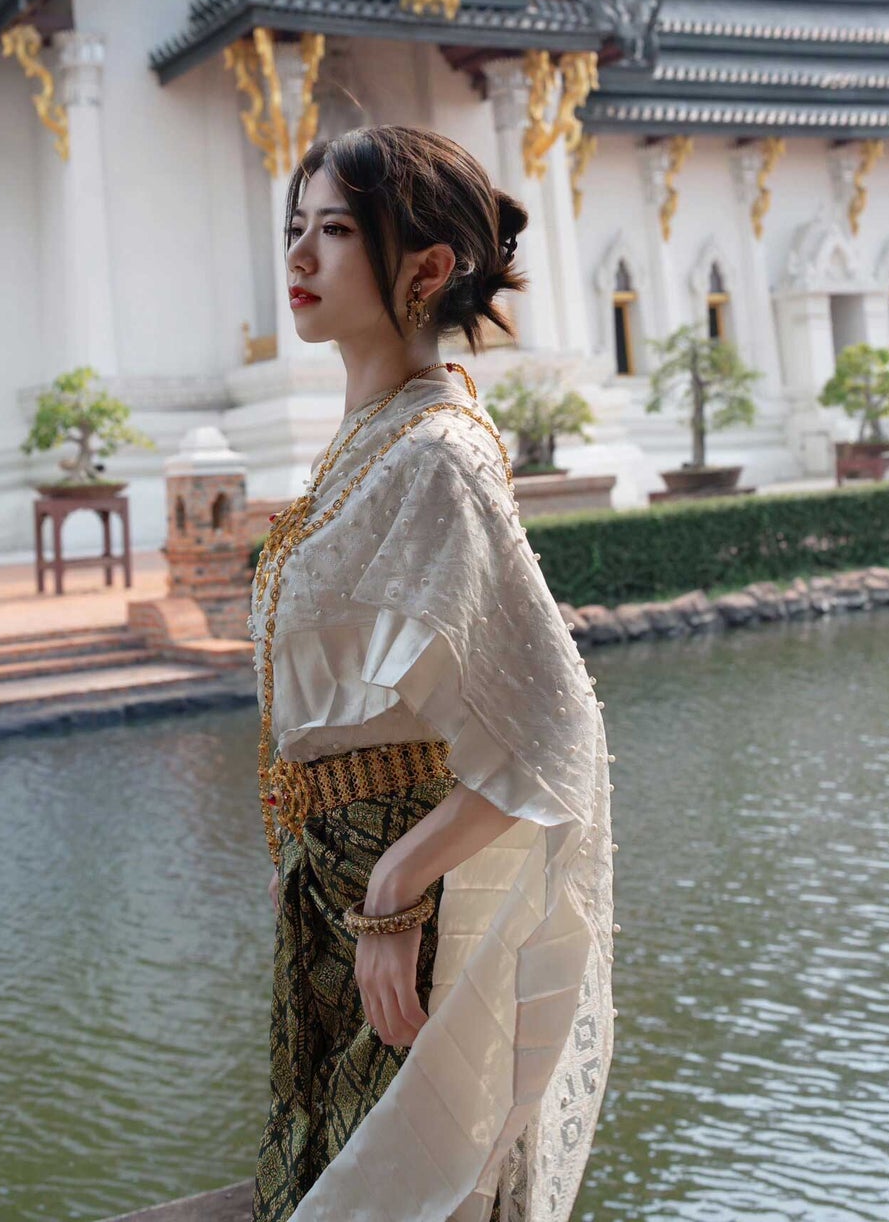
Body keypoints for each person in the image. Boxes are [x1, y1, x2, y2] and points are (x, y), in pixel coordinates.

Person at [250, 126, 614, 1222]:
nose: (299, 260)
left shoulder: (437, 456)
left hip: (402, 910)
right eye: (294, 230)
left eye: (336, 231)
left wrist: (396, 889)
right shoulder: (366, 441)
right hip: (330, 895)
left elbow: (555, 734)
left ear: (423, 267)